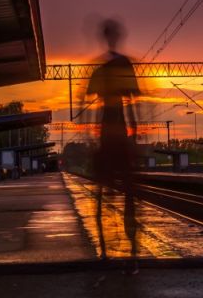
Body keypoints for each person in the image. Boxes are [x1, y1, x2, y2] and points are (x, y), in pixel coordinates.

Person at [85, 18, 141, 274]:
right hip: (119, 133)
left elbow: (89, 109)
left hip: (106, 133)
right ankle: (132, 251)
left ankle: (105, 252)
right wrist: (135, 134)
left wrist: (91, 139)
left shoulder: (99, 69)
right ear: (117, 36)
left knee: (100, 192)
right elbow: (134, 105)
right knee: (130, 191)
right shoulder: (123, 66)